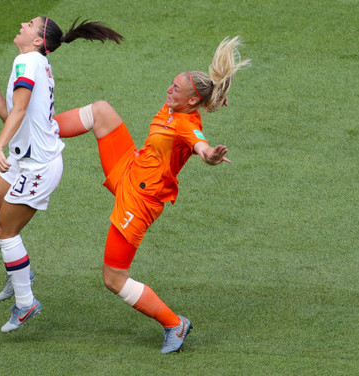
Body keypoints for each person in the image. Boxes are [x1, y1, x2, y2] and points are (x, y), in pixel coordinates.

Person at [53, 36, 250, 352]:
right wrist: (216, 96)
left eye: (176, 89)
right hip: (131, 168)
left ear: (189, 102)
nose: (168, 90)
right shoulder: (177, 105)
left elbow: (199, 144)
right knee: (101, 111)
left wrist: (209, 154)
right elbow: (204, 96)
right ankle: (41, 128)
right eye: (172, 84)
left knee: (114, 279)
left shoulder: (186, 122)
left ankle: (175, 324)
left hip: (140, 200)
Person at [0, 16, 123, 333]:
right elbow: (12, 114)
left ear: (39, 39)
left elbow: (17, 113)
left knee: (6, 232)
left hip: (38, 166)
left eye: (29, 24)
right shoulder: (31, 61)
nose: (23, 24)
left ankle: (26, 303)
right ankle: (19, 272)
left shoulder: (28, 61)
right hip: (22, 158)